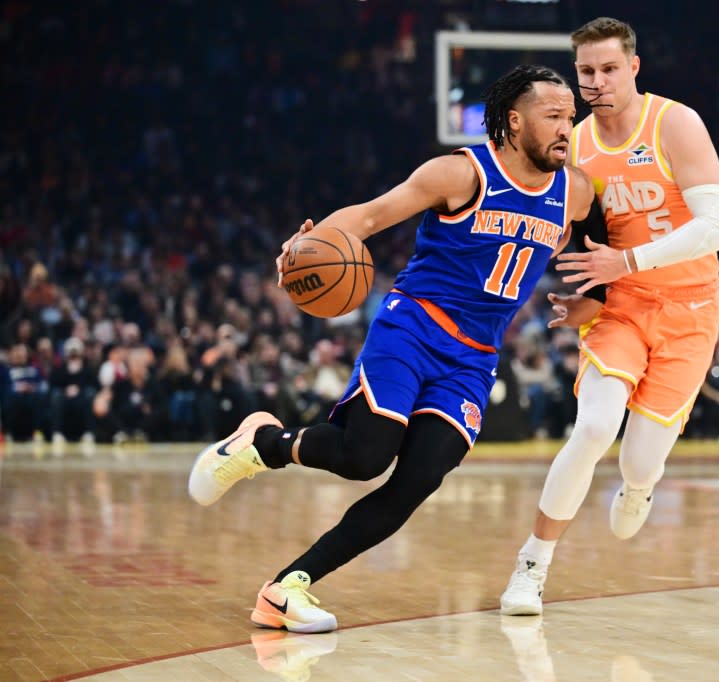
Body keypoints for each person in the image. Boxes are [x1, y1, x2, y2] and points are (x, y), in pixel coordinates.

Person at [187, 64, 596, 633]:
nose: (565, 129)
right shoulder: (461, 172)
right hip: (414, 327)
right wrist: (308, 242)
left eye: (570, 118)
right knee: (365, 457)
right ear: (513, 119)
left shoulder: (574, 192)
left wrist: (591, 299)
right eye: (553, 116)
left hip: (475, 357)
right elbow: (371, 215)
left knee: (416, 481)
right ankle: (263, 442)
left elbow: (602, 248)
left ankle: (285, 589)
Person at [500, 17, 719, 616]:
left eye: (609, 69)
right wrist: (593, 296)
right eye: (586, 71)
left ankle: (640, 486)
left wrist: (624, 260)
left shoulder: (675, 123)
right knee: (594, 427)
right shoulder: (574, 145)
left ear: (633, 67)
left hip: (690, 308)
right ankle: (531, 566)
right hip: (623, 307)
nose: (597, 82)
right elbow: (578, 238)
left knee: (638, 460)